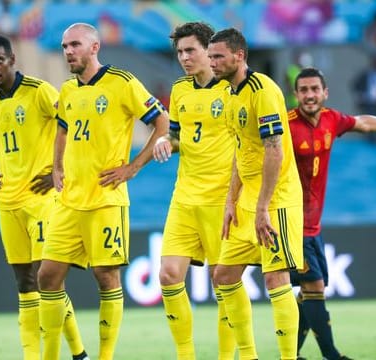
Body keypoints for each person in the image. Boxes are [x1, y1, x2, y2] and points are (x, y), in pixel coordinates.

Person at [37, 23, 169, 360]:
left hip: (106, 200)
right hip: (70, 200)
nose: (68, 51)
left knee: (106, 276)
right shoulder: (67, 90)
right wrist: (56, 166)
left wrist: (133, 167)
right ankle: (64, 354)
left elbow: (162, 122)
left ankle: (105, 356)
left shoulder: (122, 83)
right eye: (65, 46)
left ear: (94, 47)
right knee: (47, 276)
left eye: (75, 45)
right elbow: (63, 130)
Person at [288, 67, 376, 360]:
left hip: (313, 225)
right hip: (291, 221)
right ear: (296, 94)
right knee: (314, 285)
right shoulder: (285, 125)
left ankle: (291, 355)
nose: (309, 95)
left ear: (325, 93)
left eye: (314, 89)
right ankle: (332, 356)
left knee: (309, 292)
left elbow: (363, 122)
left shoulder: (332, 120)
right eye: (304, 90)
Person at [0, 34, 88, 360]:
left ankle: (77, 352)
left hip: (41, 200)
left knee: (47, 279)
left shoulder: (40, 91)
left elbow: (69, 126)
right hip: (8, 202)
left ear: (12, 59)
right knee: (24, 283)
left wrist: (58, 170)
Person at [207, 28, 304, 360]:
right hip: (248, 200)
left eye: (218, 56)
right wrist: (231, 201)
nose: (212, 62)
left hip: (275, 200)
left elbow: (273, 151)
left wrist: (262, 208)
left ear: (239, 55)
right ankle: (247, 355)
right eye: (210, 56)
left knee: (275, 278)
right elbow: (241, 151)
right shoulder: (229, 94)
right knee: (223, 275)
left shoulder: (263, 91)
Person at [152, 22, 236, 360]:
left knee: (223, 281)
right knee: (168, 275)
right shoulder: (180, 90)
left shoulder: (233, 90)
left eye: (190, 50)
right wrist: (164, 143)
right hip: (185, 196)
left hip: (221, 198)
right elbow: (176, 136)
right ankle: (186, 355)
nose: (184, 58)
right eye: (180, 52)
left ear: (208, 49)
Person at [351, 56, 376, 144]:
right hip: (367, 103)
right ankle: (367, 143)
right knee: (367, 126)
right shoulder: (365, 74)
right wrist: (360, 96)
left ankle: (375, 143)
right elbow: (355, 85)